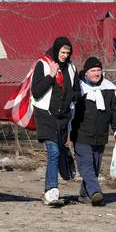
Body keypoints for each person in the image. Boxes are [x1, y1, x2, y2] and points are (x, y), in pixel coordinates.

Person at [31, 37, 81, 206]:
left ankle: (65, 170)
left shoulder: (72, 67)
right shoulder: (43, 64)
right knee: (53, 151)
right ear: (56, 50)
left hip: (63, 117)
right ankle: (51, 191)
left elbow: (76, 91)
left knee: (59, 151)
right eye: (62, 52)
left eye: (68, 53)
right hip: (46, 114)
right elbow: (36, 92)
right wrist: (51, 76)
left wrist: (72, 98)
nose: (65, 56)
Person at [70, 57, 116, 206]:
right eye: (93, 71)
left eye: (99, 70)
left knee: (94, 167)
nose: (96, 73)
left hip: (100, 135)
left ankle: (83, 195)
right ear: (86, 73)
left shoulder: (108, 88)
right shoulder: (78, 89)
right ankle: (95, 191)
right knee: (86, 165)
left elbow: (114, 111)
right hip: (81, 134)